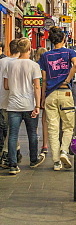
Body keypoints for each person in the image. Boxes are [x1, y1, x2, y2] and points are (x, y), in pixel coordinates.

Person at [38, 28, 76, 171]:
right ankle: (64, 151)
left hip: (50, 94)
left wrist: (42, 98)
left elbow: (43, 78)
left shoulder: (45, 56)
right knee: (68, 126)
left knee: (53, 128)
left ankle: (56, 162)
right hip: (65, 92)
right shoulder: (69, 52)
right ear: (63, 39)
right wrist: (68, 78)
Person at [3, 37, 44, 172]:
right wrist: (37, 105)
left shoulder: (10, 65)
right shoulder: (34, 65)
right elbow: (37, 87)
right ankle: (33, 159)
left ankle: (13, 164)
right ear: (29, 49)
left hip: (13, 104)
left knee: (13, 135)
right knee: (32, 133)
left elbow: (6, 86)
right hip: (29, 104)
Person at [0, 39, 20, 167]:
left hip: (3, 100)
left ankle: (13, 153)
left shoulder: (2, 62)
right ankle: (8, 156)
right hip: (14, 101)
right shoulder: (18, 63)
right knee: (11, 131)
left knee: (8, 130)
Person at [34, 46, 49, 155]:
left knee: (34, 120)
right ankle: (45, 144)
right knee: (45, 121)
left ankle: (34, 140)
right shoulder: (48, 67)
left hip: (34, 95)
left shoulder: (34, 66)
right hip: (46, 93)